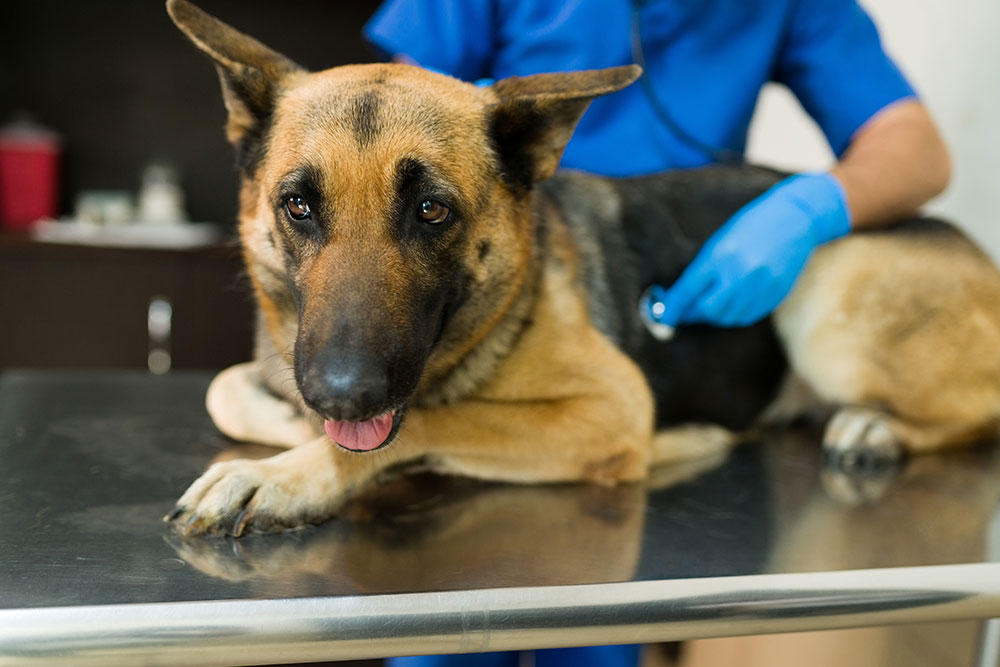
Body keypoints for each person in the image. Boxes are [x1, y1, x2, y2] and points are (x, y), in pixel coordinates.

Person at [363, 0, 949, 664]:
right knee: (441, 632)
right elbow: (388, 131)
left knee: (600, 629)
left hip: (664, 327)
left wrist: (815, 207)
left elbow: (917, 148)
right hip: (507, 305)